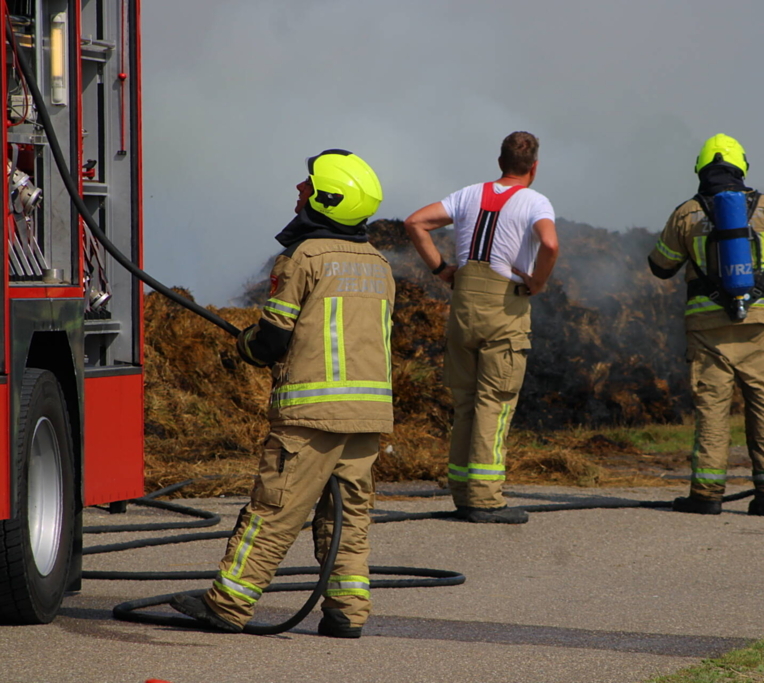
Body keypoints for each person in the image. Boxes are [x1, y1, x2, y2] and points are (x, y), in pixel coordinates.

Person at [170, 150, 394, 637]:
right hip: (368, 417)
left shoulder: (303, 258)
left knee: (273, 511)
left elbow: (272, 340)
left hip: (312, 415)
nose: (299, 190)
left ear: (329, 199)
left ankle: (229, 605)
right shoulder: (379, 265)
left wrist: (246, 345)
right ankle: (347, 614)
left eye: (309, 186)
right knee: (349, 520)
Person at [404, 131, 559, 524]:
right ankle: (486, 499)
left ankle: (461, 492)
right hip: (504, 309)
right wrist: (538, 281)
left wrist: (441, 269)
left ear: (500, 161)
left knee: (465, 403)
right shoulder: (534, 201)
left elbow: (416, 222)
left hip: (463, 306)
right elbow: (551, 244)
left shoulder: (469, 194)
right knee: (496, 402)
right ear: (534, 167)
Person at [648, 134, 764, 517]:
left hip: (708, 328)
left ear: (701, 168)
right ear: (741, 166)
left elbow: (660, 266)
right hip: (759, 325)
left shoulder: (687, 213)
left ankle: (706, 494)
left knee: (712, 410)